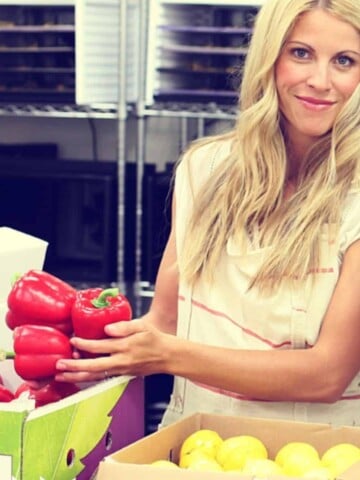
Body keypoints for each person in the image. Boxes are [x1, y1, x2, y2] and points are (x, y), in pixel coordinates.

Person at [55, 0, 360, 428]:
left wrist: (166, 354)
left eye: (345, 61)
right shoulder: (206, 169)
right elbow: (167, 321)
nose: (319, 80)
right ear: (270, 58)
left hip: (316, 459)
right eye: (301, 53)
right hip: (193, 446)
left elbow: (327, 376)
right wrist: (75, 353)